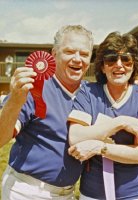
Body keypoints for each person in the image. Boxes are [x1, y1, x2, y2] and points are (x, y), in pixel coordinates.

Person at [0, 25, 94, 200]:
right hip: (27, 191)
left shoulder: (91, 94)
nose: (77, 59)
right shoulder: (34, 86)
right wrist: (15, 100)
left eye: (84, 54)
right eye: (69, 51)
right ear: (54, 54)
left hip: (68, 193)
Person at [68, 32, 138, 200]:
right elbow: (75, 137)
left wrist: (99, 147)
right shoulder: (88, 92)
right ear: (103, 66)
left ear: (134, 64)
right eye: (111, 59)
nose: (119, 65)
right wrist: (120, 122)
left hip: (136, 192)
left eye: (126, 59)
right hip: (93, 192)